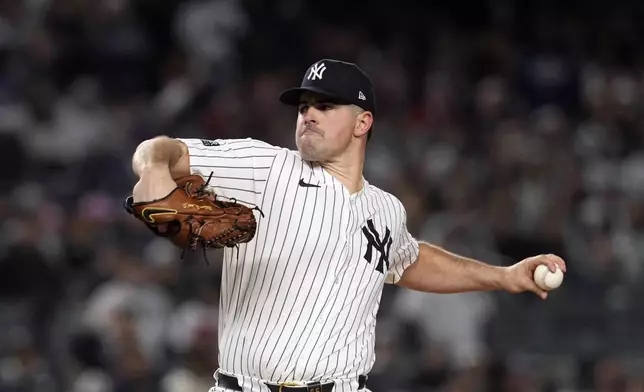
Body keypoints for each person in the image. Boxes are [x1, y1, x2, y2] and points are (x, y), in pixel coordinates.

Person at [130, 59, 567, 392]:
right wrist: (153, 169)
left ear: (363, 122)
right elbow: (157, 149)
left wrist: (503, 276)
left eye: (325, 105)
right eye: (303, 106)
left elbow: (409, 260)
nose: (308, 115)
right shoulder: (266, 167)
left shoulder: (386, 208)